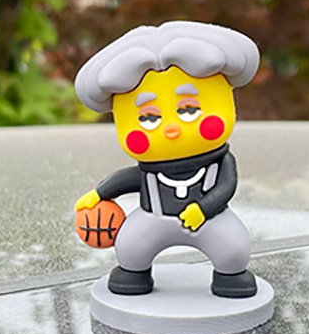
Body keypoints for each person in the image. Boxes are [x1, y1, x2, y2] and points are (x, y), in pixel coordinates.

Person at [74, 21, 260, 298]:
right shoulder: (149, 170)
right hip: (153, 218)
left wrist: (204, 209)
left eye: (189, 110)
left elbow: (226, 186)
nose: (171, 129)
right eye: (149, 117)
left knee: (233, 248)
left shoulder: (222, 162)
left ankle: (230, 278)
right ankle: (133, 274)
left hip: (210, 220)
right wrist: (99, 193)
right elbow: (130, 178)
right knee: (131, 246)